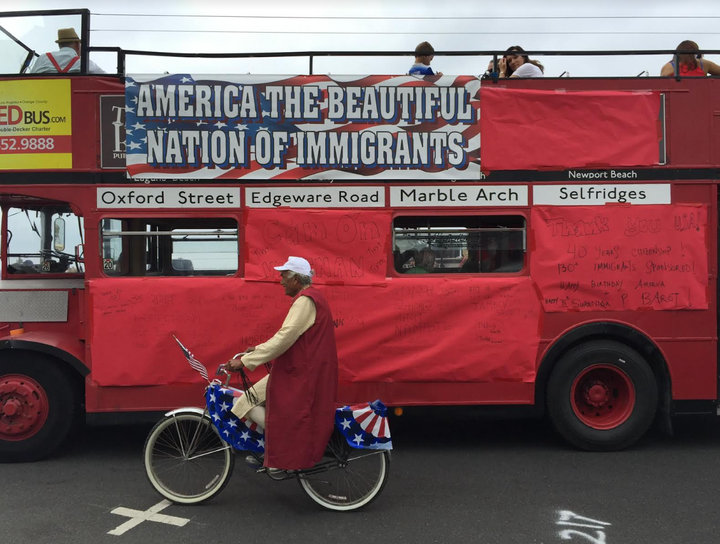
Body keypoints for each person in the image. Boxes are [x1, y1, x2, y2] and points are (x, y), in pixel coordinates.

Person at [226, 256, 338, 472]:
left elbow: (284, 339)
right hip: (300, 370)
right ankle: (277, 452)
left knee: (246, 404)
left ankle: (283, 453)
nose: (281, 281)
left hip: (301, 374)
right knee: (248, 403)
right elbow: (286, 337)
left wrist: (245, 361)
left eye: (284, 276)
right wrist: (257, 349)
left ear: (296, 278)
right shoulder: (310, 298)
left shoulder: (305, 301)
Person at [30, 28, 105, 74]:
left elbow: (28, 79)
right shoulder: (85, 63)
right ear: (77, 45)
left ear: (59, 45)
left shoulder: (43, 58)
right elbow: (107, 77)